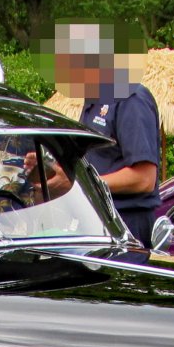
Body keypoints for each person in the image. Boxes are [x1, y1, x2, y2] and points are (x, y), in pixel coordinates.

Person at [50, 21, 162, 246]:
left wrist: (81, 183)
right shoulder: (92, 101)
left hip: (128, 224)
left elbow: (144, 178)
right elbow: (97, 163)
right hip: (98, 219)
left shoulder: (130, 97)